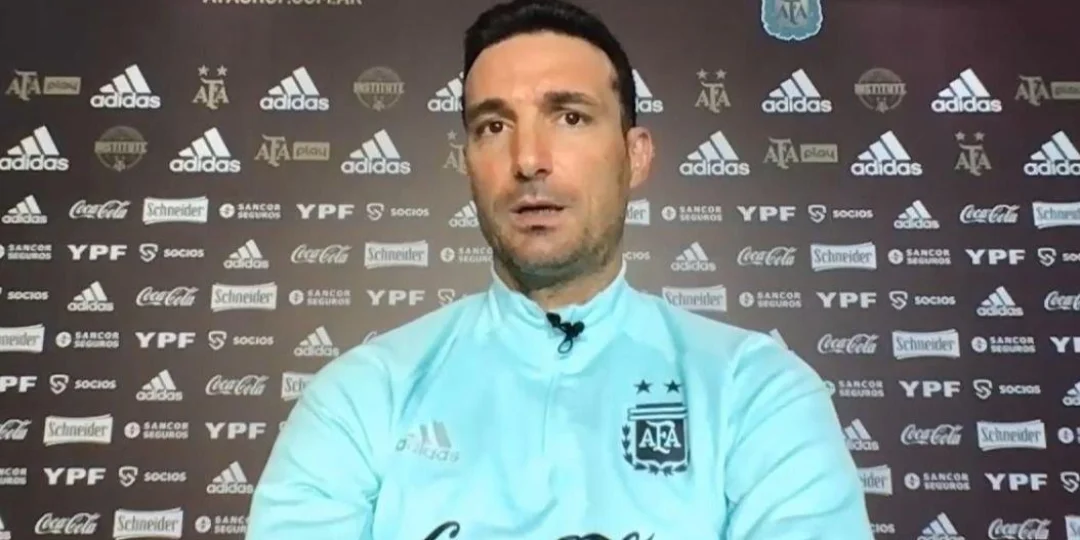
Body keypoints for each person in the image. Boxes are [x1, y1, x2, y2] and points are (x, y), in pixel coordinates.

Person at [245, 0, 873, 538]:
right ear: (467, 162)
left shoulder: (756, 391)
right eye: (494, 125)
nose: (528, 159)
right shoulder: (360, 396)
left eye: (570, 117)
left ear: (635, 156)